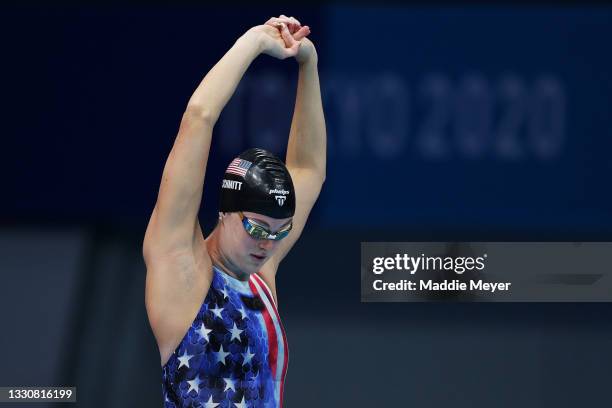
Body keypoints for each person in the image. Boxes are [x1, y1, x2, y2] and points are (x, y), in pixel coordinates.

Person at [143, 15, 326, 408]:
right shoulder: (181, 271)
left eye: (281, 231)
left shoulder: (261, 272)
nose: (269, 244)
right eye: (258, 228)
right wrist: (254, 41)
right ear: (226, 211)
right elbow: (199, 118)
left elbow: (309, 170)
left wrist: (307, 63)